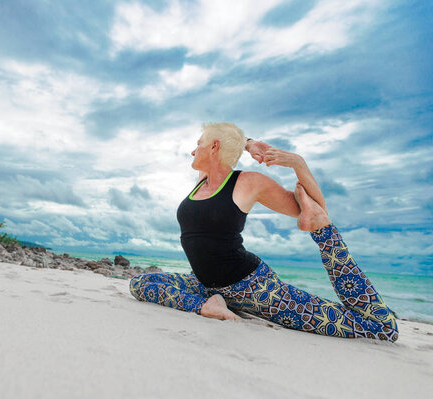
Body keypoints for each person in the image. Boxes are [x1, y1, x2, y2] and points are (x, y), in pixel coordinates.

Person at [129, 122, 398, 342]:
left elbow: (315, 207)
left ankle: (325, 237)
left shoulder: (248, 182)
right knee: (141, 283)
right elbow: (228, 132)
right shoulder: (202, 182)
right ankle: (207, 305)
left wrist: (298, 164)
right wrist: (248, 143)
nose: (192, 151)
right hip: (205, 285)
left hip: (255, 288)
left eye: (198, 144)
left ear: (214, 147)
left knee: (379, 328)